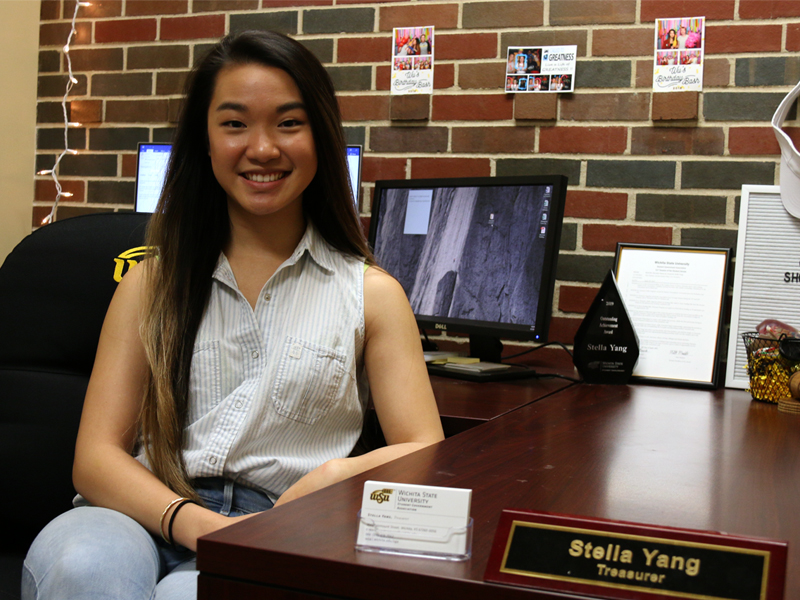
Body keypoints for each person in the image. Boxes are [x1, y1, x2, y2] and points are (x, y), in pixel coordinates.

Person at [22, 30, 444, 600]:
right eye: (235, 123)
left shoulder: (371, 294)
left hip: (281, 525)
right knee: (82, 570)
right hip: (140, 510)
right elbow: (95, 459)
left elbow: (424, 450)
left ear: (320, 137)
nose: (264, 148)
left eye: (289, 123)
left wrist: (330, 479)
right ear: (205, 140)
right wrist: (197, 524)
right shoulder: (152, 283)